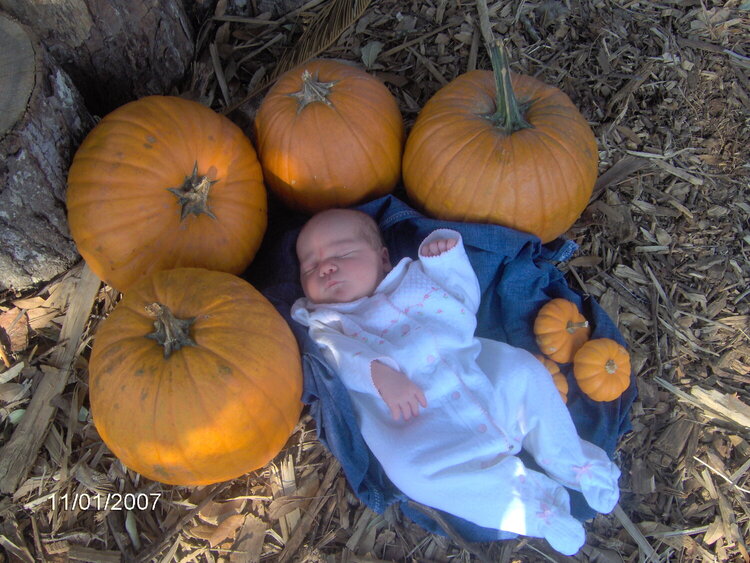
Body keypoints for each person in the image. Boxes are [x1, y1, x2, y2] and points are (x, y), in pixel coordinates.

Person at [291, 208, 621, 555]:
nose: (325, 268)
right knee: (412, 474)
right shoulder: (328, 322)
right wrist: (378, 373)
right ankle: (534, 510)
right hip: (423, 425)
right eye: (309, 267)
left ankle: (577, 464)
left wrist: (445, 263)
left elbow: (464, 303)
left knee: (524, 372)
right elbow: (339, 358)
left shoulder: (413, 280)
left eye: (343, 254)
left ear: (383, 259)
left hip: (478, 377)